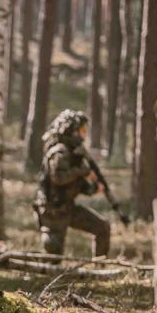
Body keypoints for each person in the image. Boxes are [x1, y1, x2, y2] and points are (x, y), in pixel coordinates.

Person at [33, 109, 110, 258]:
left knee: (102, 228)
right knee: (53, 255)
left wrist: (94, 188)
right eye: (81, 130)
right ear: (71, 131)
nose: (83, 135)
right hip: (52, 212)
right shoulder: (60, 152)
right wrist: (82, 171)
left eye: (84, 131)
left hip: (66, 208)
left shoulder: (74, 154)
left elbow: (77, 185)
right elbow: (58, 177)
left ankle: (100, 268)